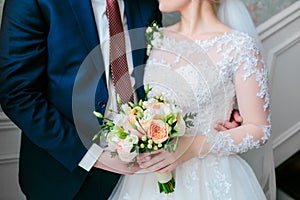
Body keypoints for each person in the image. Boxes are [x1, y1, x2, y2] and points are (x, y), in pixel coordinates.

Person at [109, 0, 273, 199]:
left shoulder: (238, 46)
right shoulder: (156, 37)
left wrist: (193, 146)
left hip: (213, 176)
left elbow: (259, 129)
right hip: (149, 180)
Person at [0, 0, 162, 199]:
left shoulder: (146, 4)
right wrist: (94, 156)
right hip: (65, 174)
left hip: (142, 172)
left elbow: (156, 70)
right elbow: (17, 93)